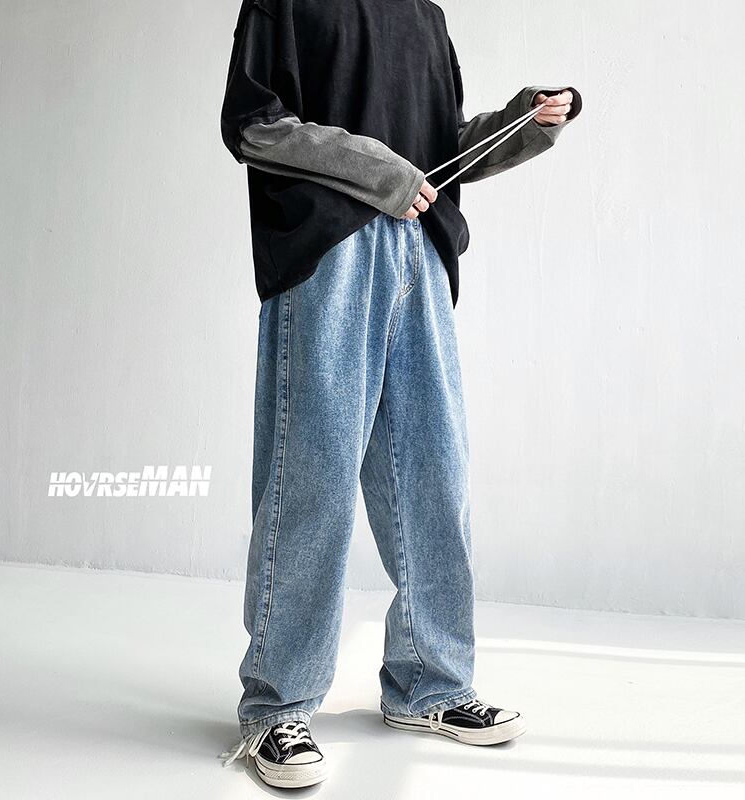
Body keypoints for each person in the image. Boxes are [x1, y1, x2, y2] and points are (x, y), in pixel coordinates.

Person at [217, 0, 582, 788]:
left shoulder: (425, 15)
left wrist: (524, 123)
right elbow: (253, 125)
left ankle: (430, 684)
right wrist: (378, 170)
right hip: (329, 254)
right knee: (312, 479)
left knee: (433, 478)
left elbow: (440, 151)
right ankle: (277, 707)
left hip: (422, 255)